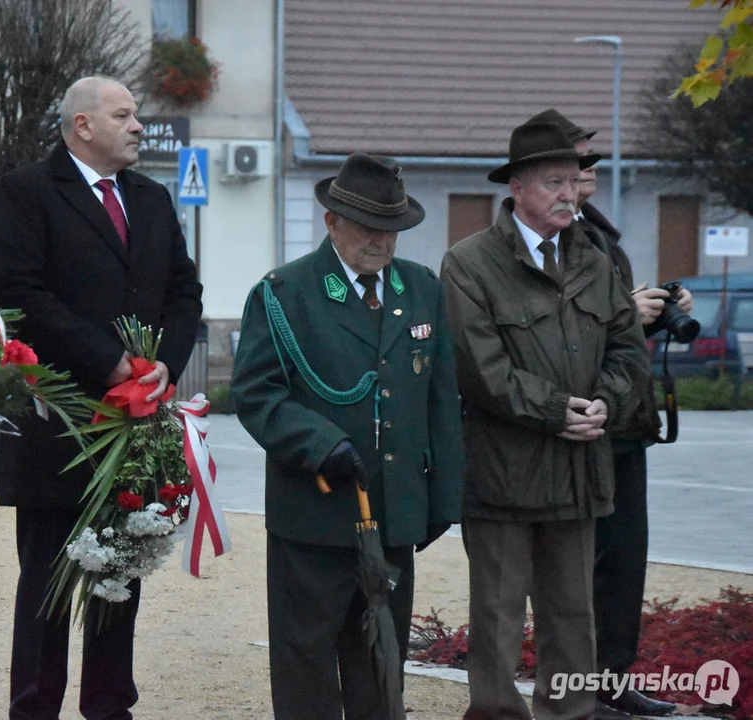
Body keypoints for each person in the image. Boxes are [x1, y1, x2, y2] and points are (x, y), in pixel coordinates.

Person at [0, 76, 202, 720]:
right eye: (124, 115)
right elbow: (20, 293)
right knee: (48, 581)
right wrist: (107, 362)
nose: (139, 125)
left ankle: (110, 705)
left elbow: (183, 292)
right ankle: (35, 706)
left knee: (121, 568)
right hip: (59, 421)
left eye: (136, 114)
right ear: (82, 125)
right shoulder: (25, 192)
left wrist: (166, 364)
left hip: (135, 424)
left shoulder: (153, 199)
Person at [230, 152, 465, 720]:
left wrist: (442, 501)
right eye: (368, 226)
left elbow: (441, 399)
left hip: (393, 514)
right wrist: (319, 445)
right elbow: (257, 393)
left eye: (392, 228)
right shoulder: (285, 293)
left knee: (380, 661)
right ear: (332, 221)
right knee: (306, 662)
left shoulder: (422, 288)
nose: (381, 241)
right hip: (314, 512)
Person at [440, 120, 650, 720]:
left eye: (573, 180)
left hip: (579, 470)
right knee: (498, 616)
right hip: (503, 477)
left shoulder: (594, 258)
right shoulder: (469, 264)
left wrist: (606, 403)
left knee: (572, 614)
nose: (570, 192)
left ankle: (571, 714)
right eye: (554, 181)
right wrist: (558, 410)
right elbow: (479, 371)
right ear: (519, 189)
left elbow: (628, 351)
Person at [530, 108, 690, 719]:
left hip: (623, 423)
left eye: (589, 163)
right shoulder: (550, 239)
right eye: (574, 164)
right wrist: (628, 309)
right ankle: (579, 690)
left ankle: (613, 680)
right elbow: (551, 328)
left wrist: (653, 307)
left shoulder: (601, 235)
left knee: (623, 562)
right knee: (580, 570)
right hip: (579, 424)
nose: (585, 173)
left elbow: (611, 325)